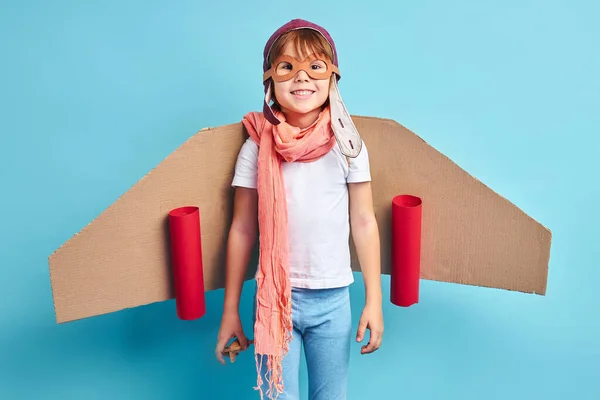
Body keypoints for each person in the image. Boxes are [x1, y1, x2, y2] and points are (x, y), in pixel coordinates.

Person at [215, 19, 384, 400]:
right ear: (269, 80)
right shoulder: (258, 148)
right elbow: (241, 228)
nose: (301, 78)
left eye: (315, 67)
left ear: (332, 78)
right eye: (287, 67)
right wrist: (229, 310)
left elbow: (364, 221)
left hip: (333, 300)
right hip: (274, 300)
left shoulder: (349, 145)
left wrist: (374, 300)